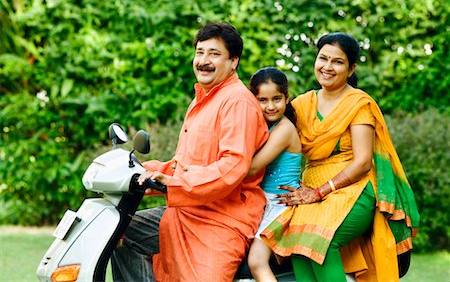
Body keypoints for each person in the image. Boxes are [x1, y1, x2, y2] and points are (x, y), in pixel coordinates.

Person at [111, 22, 269, 282]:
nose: (204, 61)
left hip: (220, 220)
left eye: (214, 54)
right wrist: (141, 170)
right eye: (200, 52)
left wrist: (174, 183)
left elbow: (231, 167)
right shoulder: (201, 100)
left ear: (233, 62)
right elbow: (182, 164)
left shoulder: (237, 102)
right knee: (118, 230)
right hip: (185, 211)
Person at [260, 32, 420, 281]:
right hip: (311, 187)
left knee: (322, 240)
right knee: (297, 242)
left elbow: (362, 162)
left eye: (337, 61)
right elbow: (265, 123)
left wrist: (320, 191)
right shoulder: (303, 105)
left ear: (351, 67)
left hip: (354, 188)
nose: (327, 67)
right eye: (323, 58)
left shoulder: (358, 103)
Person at [244, 67, 302, 281]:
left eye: (276, 99)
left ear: (286, 98)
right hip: (262, 203)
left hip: (281, 205)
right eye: (263, 100)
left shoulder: (285, 129)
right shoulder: (264, 125)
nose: (270, 106)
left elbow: (252, 167)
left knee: (256, 262)